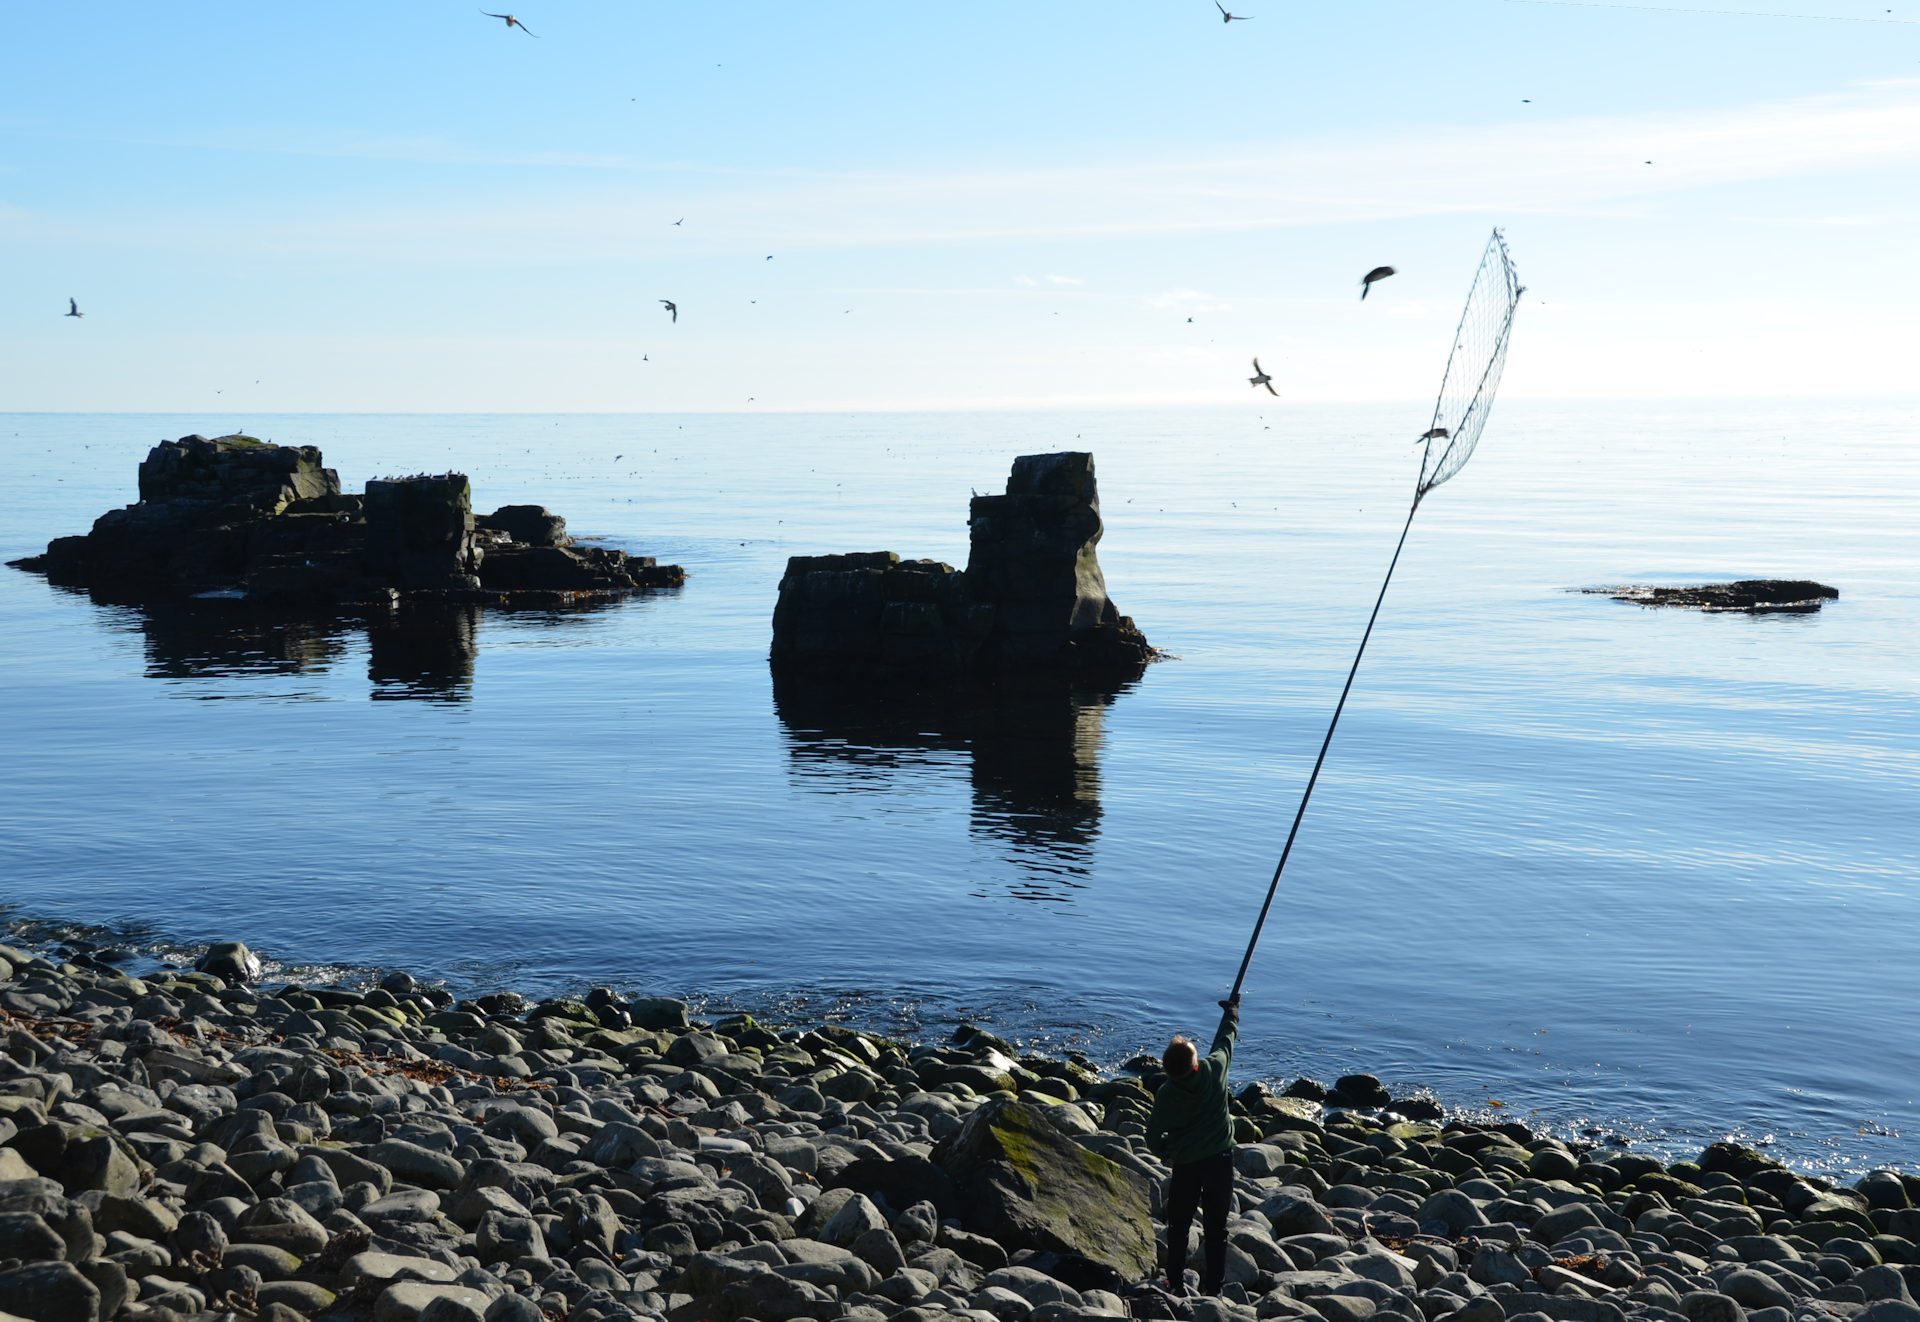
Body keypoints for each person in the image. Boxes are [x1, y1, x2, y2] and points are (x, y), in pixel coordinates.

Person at [1145, 992, 1241, 1296]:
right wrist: (1232, 1014)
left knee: (1179, 1227)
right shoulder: (1213, 1071)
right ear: (1196, 1064)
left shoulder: (1167, 1094)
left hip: (1186, 1165)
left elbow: (1152, 1138)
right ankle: (1214, 1289)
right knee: (1216, 1229)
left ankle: (1174, 1281)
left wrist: (1166, 1152)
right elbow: (1225, 1043)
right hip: (1219, 1160)